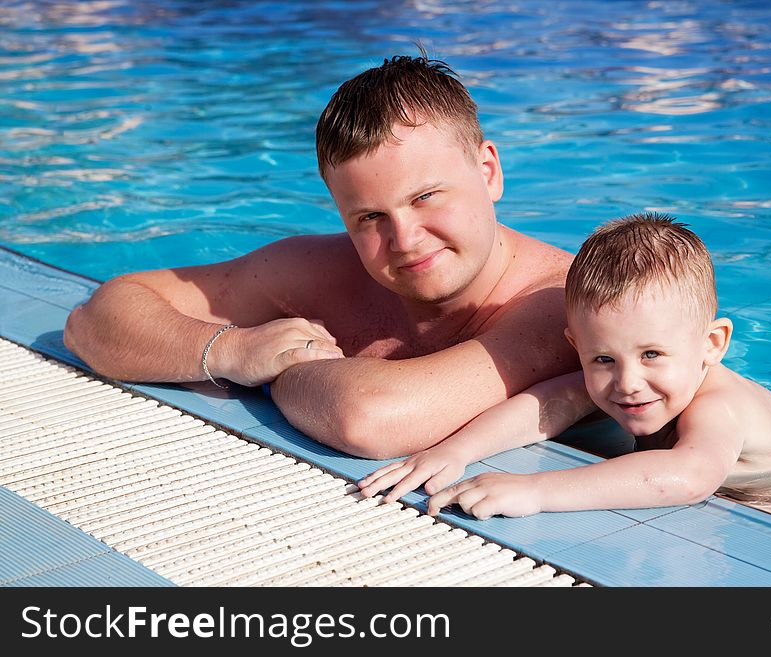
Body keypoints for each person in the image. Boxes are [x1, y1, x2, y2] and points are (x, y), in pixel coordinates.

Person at [62, 52, 581, 459]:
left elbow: (371, 417)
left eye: (425, 197)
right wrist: (231, 351)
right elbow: (93, 320)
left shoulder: (568, 304)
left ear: (488, 171)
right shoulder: (321, 272)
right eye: (370, 218)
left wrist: (278, 369)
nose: (403, 239)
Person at [359, 212, 771, 519]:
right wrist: (454, 451)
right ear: (576, 345)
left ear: (712, 344)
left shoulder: (721, 407)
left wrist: (536, 490)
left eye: (652, 355)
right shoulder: (621, 377)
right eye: (602, 359)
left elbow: (686, 478)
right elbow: (547, 404)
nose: (627, 382)